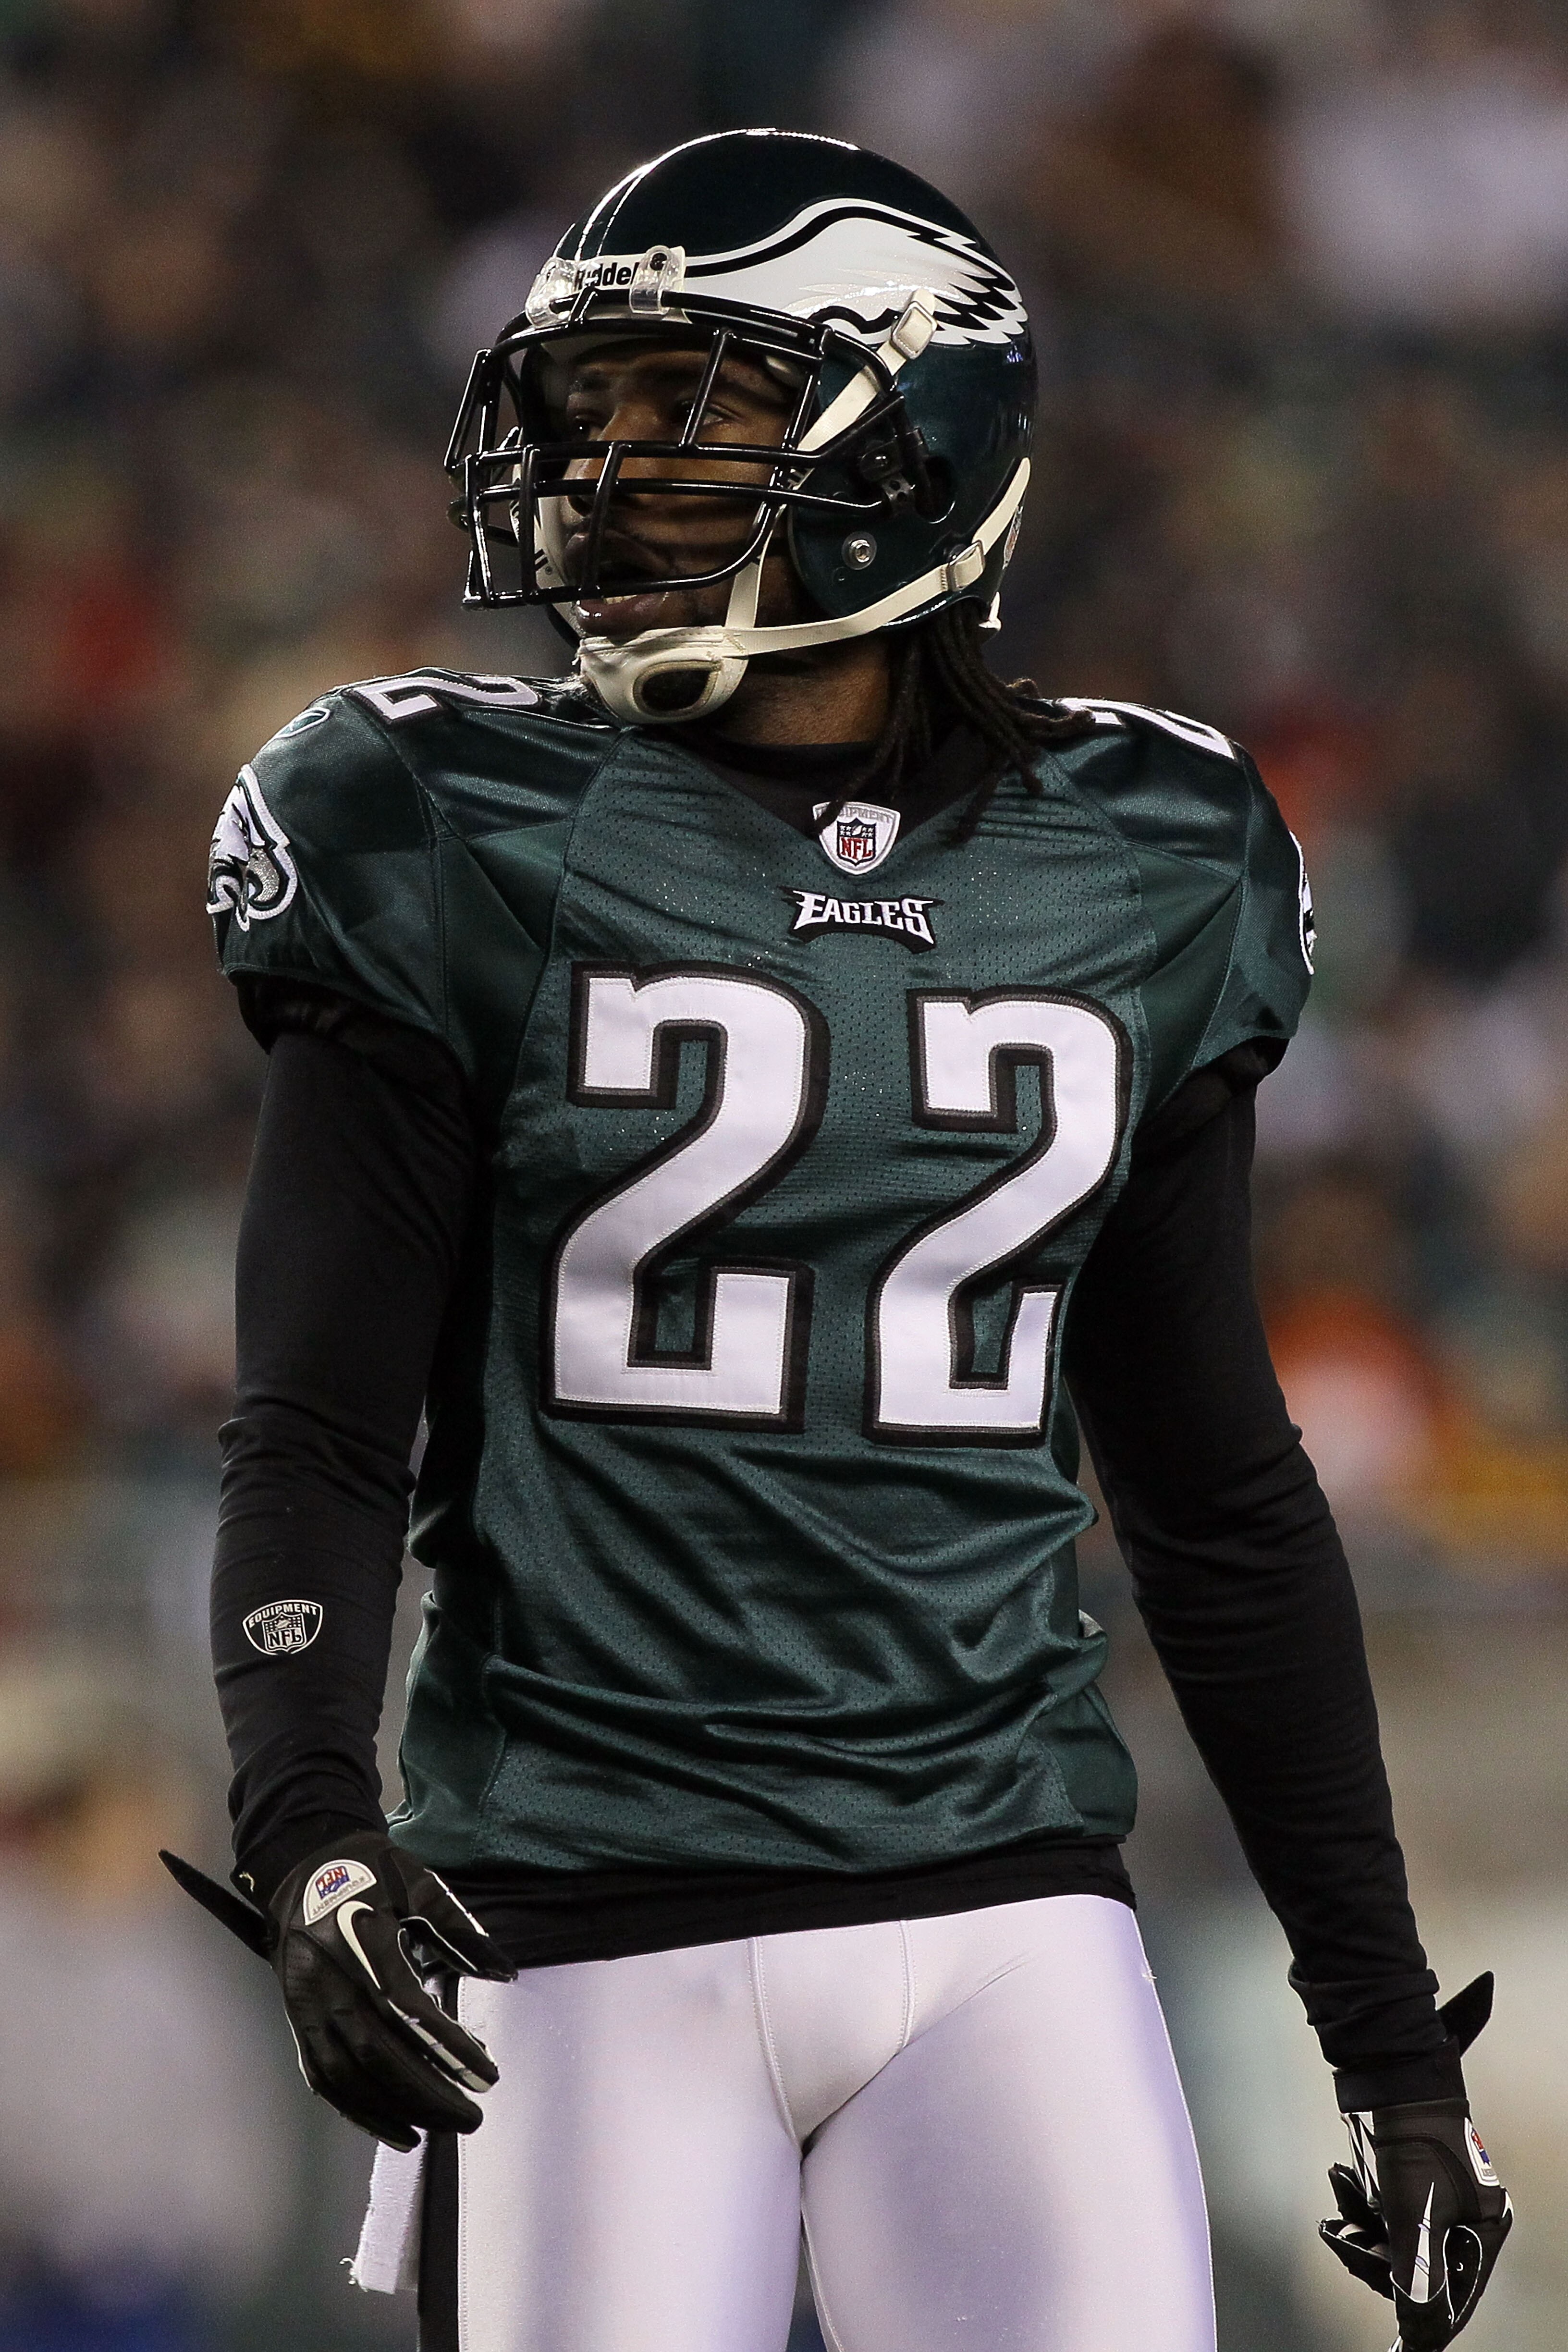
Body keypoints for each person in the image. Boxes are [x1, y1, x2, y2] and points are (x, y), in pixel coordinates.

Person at [172, 131, 1510, 2352]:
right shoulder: (438, 818)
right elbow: (315, 1418)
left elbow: (1216, 1498)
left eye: (684, 421)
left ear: (914, 439)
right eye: (583, 425)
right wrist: (312, 1821)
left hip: (1007, 1903)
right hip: (576, 1912)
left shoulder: (1144, 855)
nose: (600, 488)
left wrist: (1383, 2029)